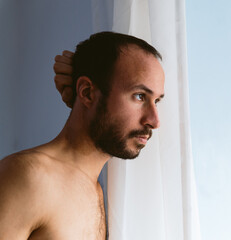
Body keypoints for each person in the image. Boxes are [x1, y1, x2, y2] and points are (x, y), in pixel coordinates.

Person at [0, 31, 165, 239]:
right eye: (140, 96)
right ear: (87, 93)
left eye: (157, 101)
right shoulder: (29, 177)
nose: (154, 121)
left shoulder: (100, 190)